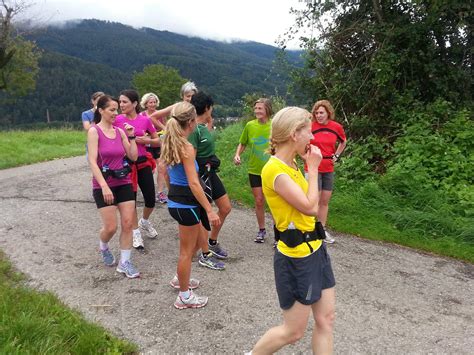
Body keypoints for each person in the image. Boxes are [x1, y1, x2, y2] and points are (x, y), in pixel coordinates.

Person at [249, 107, 336, 354]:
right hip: (297, 256)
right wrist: (314, 168)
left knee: (326, 320)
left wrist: (308, 167)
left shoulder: (293, 163)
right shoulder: (274, 169)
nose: (313, 137)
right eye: (308, 130)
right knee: (293, 331)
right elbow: (310, 207)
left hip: (317, 249)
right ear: (293, 134)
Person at [160, 101, 221, 309]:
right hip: (187, 203)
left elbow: (165, 172)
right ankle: (184, 296)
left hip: (178, 201)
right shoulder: (185, 146)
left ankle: (181, 279)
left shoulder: (170, 142)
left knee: (194, 243)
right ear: (192, 122)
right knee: (186, 251)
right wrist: (210, 209)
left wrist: (172, 193)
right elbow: (194, 182)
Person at [87, 95, 140, 278]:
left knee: (127, 224)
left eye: (116, 109)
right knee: (111, 228)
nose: (115, 113)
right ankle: (103, 246)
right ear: (101, 110)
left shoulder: (120, 131)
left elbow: (133, 157)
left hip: (123, 182)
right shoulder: (94, 131)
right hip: (104, 185)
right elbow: (92, 162)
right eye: (111, 109)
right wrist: (104, 186)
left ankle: (124, 263)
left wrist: (132, 136)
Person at [114, 90, 160, 249]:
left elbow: (157, 140)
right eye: (120, 102)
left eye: (124, 102)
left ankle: (144, 222)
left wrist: (144, 139)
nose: (121, 105)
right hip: (126, 165)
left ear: (134, 103)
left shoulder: (145, 120)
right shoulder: (117, 120)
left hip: (143, 162)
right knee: (131, 201)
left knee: (150, 199)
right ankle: (135, 233)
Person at [189, 91, 231, 265]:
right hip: (201, 175)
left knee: (226, 207)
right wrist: (197, 178)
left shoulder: (203, 127)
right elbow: (191, 158)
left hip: (211, 172)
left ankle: (211, 242)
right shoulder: (193, 130)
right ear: (207, 108)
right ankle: (198, 253)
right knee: (204, 216)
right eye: (211, 108)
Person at [233, 98, 272, 243]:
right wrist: (237, 154)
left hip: (272, 170)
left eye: (260, 108)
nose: (256, 111)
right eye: (255, 109)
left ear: (267, 109)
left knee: (274, 201)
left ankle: (279, 232)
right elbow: (242, 143)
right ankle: (262, 230)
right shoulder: (250, 125)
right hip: (254, 170)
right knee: (259, 200)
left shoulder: (275, 125)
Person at [308, 100, 346, 244]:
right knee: (313, 201)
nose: (318, 115)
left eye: (321, 112)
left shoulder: (336, 127)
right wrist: (306, 156)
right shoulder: (310, 127)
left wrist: (336, 155)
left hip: (328, 168)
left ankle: (321, 230)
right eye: (316, 113)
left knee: (324, 201)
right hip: (313, 168)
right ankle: (310, 230)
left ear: (328, 113)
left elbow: (343, 141)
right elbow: (301, 142)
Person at [140, 93, 168, 204]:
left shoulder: (161, 114)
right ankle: (147, 189)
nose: (153, 104)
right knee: (148, 170)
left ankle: (160, 193)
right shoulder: (141, 115)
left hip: (158, 145)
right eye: (150, 102)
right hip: (146, 145)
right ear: (145, 104)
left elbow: (165, 127)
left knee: (162, 168)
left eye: (154, 102)